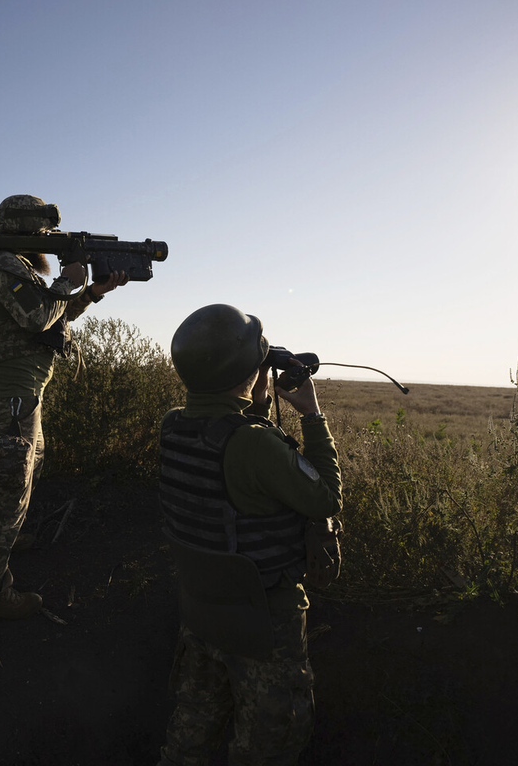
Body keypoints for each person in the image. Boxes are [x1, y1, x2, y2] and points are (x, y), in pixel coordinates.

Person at [157, 303, 343, 765]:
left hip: (202, 611)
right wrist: (311, 415)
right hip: (262, 621)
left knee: (189, 738)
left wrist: (252, 395)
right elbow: (326, 498)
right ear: (246, 371)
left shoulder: (174, 425)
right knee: (270, 745)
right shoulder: (254, 442)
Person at [0, 194, 128, 620]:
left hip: (22, 391)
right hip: (11, 393)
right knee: (10, 486)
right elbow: (37, 318)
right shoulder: (2, 267)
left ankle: (7, 536)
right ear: (25, 233)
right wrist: (68, 281)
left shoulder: (14, 265)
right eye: (43, 234)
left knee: (27, 465)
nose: (49, 242)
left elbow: (51, 316)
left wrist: (91, 291)